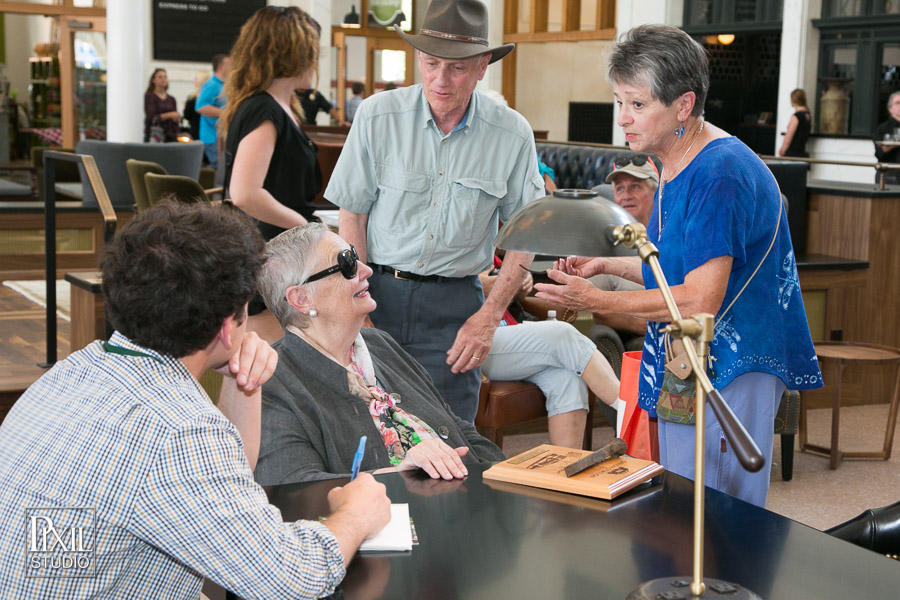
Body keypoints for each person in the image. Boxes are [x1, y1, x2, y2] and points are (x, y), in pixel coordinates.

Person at [0, 201, 390, 598]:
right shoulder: (178, 431)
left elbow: (229, 484)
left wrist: (246, 382)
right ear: (226, 326)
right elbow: (290, 580)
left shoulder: (71, 372)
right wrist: (355, 516)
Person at [534, 24, 822, 507]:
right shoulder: (676, 158)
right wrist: (606, 264)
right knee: (680, 505)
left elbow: (699, 298)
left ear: (684, 105)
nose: (622, 119)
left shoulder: (719, 170)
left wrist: (595, 299)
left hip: (733, 365)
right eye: (619, 102)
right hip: (694, 358)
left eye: (638, 104)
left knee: (718, 517)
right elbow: (678, 269)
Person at [326, 0, 544, 423]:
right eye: (430, 63)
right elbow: (352, 216)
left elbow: (527, 234)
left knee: (449, 439)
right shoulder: (377, 116)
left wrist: (489, 316)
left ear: (483, 66)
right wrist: (355, 300)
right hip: (377, 295)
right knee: (365, 430)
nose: (440, 80)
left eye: (457, 68)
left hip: (455, 309)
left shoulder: (511, 133)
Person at [254, 223, 505, 486]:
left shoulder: (378, 344)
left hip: (463, 500)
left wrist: (499, 475)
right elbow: (293, 488)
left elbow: (457, 427)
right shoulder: (272, 382)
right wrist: (398, 475)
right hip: (393, 521)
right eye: (347, 264)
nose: (366, 270)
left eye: (356, 257)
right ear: (302, 298)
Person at [221, 5, 325, 341]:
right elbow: (246, 193)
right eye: (313, 52)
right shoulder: (264, 108)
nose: (316, 62)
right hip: (267, 252)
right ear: (291, 54)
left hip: (275, 248)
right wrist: (306, 229)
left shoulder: (280, 107)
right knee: (261, 363)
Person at [479, 255, 621, 448]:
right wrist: (478, 286)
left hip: (509, 335)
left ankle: (565, 469)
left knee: (567, 377)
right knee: (562, 333)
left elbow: (511, 299)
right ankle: (630, 410)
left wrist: (521, 287)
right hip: (475, 340)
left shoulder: (491, 255)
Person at [196, 53, 230, 167]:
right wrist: (227, 113)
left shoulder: (224, 85)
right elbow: (201, 107)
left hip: (221, 136)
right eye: (229, 65)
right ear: (221, 67)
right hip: (212, 137)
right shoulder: (211, 85)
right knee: (219, 168)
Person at [143, 68, 179, 142]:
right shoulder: (150, 97)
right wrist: (169, 115)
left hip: (170, 134)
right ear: (153, 80)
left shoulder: (171, 99)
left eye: (165, 77)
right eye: (160, 77)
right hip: (155, 135)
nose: (163, 79)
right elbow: (151, 117)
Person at [873, 90, 900, 185]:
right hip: (889, 175)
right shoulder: (883, 128)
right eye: (897, 103)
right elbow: (879, 153)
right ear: (890, 108)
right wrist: (894, 144)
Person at [777, 88, 811, 158]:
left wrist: (783, 149)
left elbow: (788, 137)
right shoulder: (808, 115)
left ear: (793, 100)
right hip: (802, 153)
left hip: (792, 154)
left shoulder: (796, 117)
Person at [182, 69, 209, 142]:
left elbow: (187, 115)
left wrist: (186, 107)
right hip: (208, 132)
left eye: (196, 79)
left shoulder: (192, 98)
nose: (194, 81)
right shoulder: (210, 98)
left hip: (195, 132)